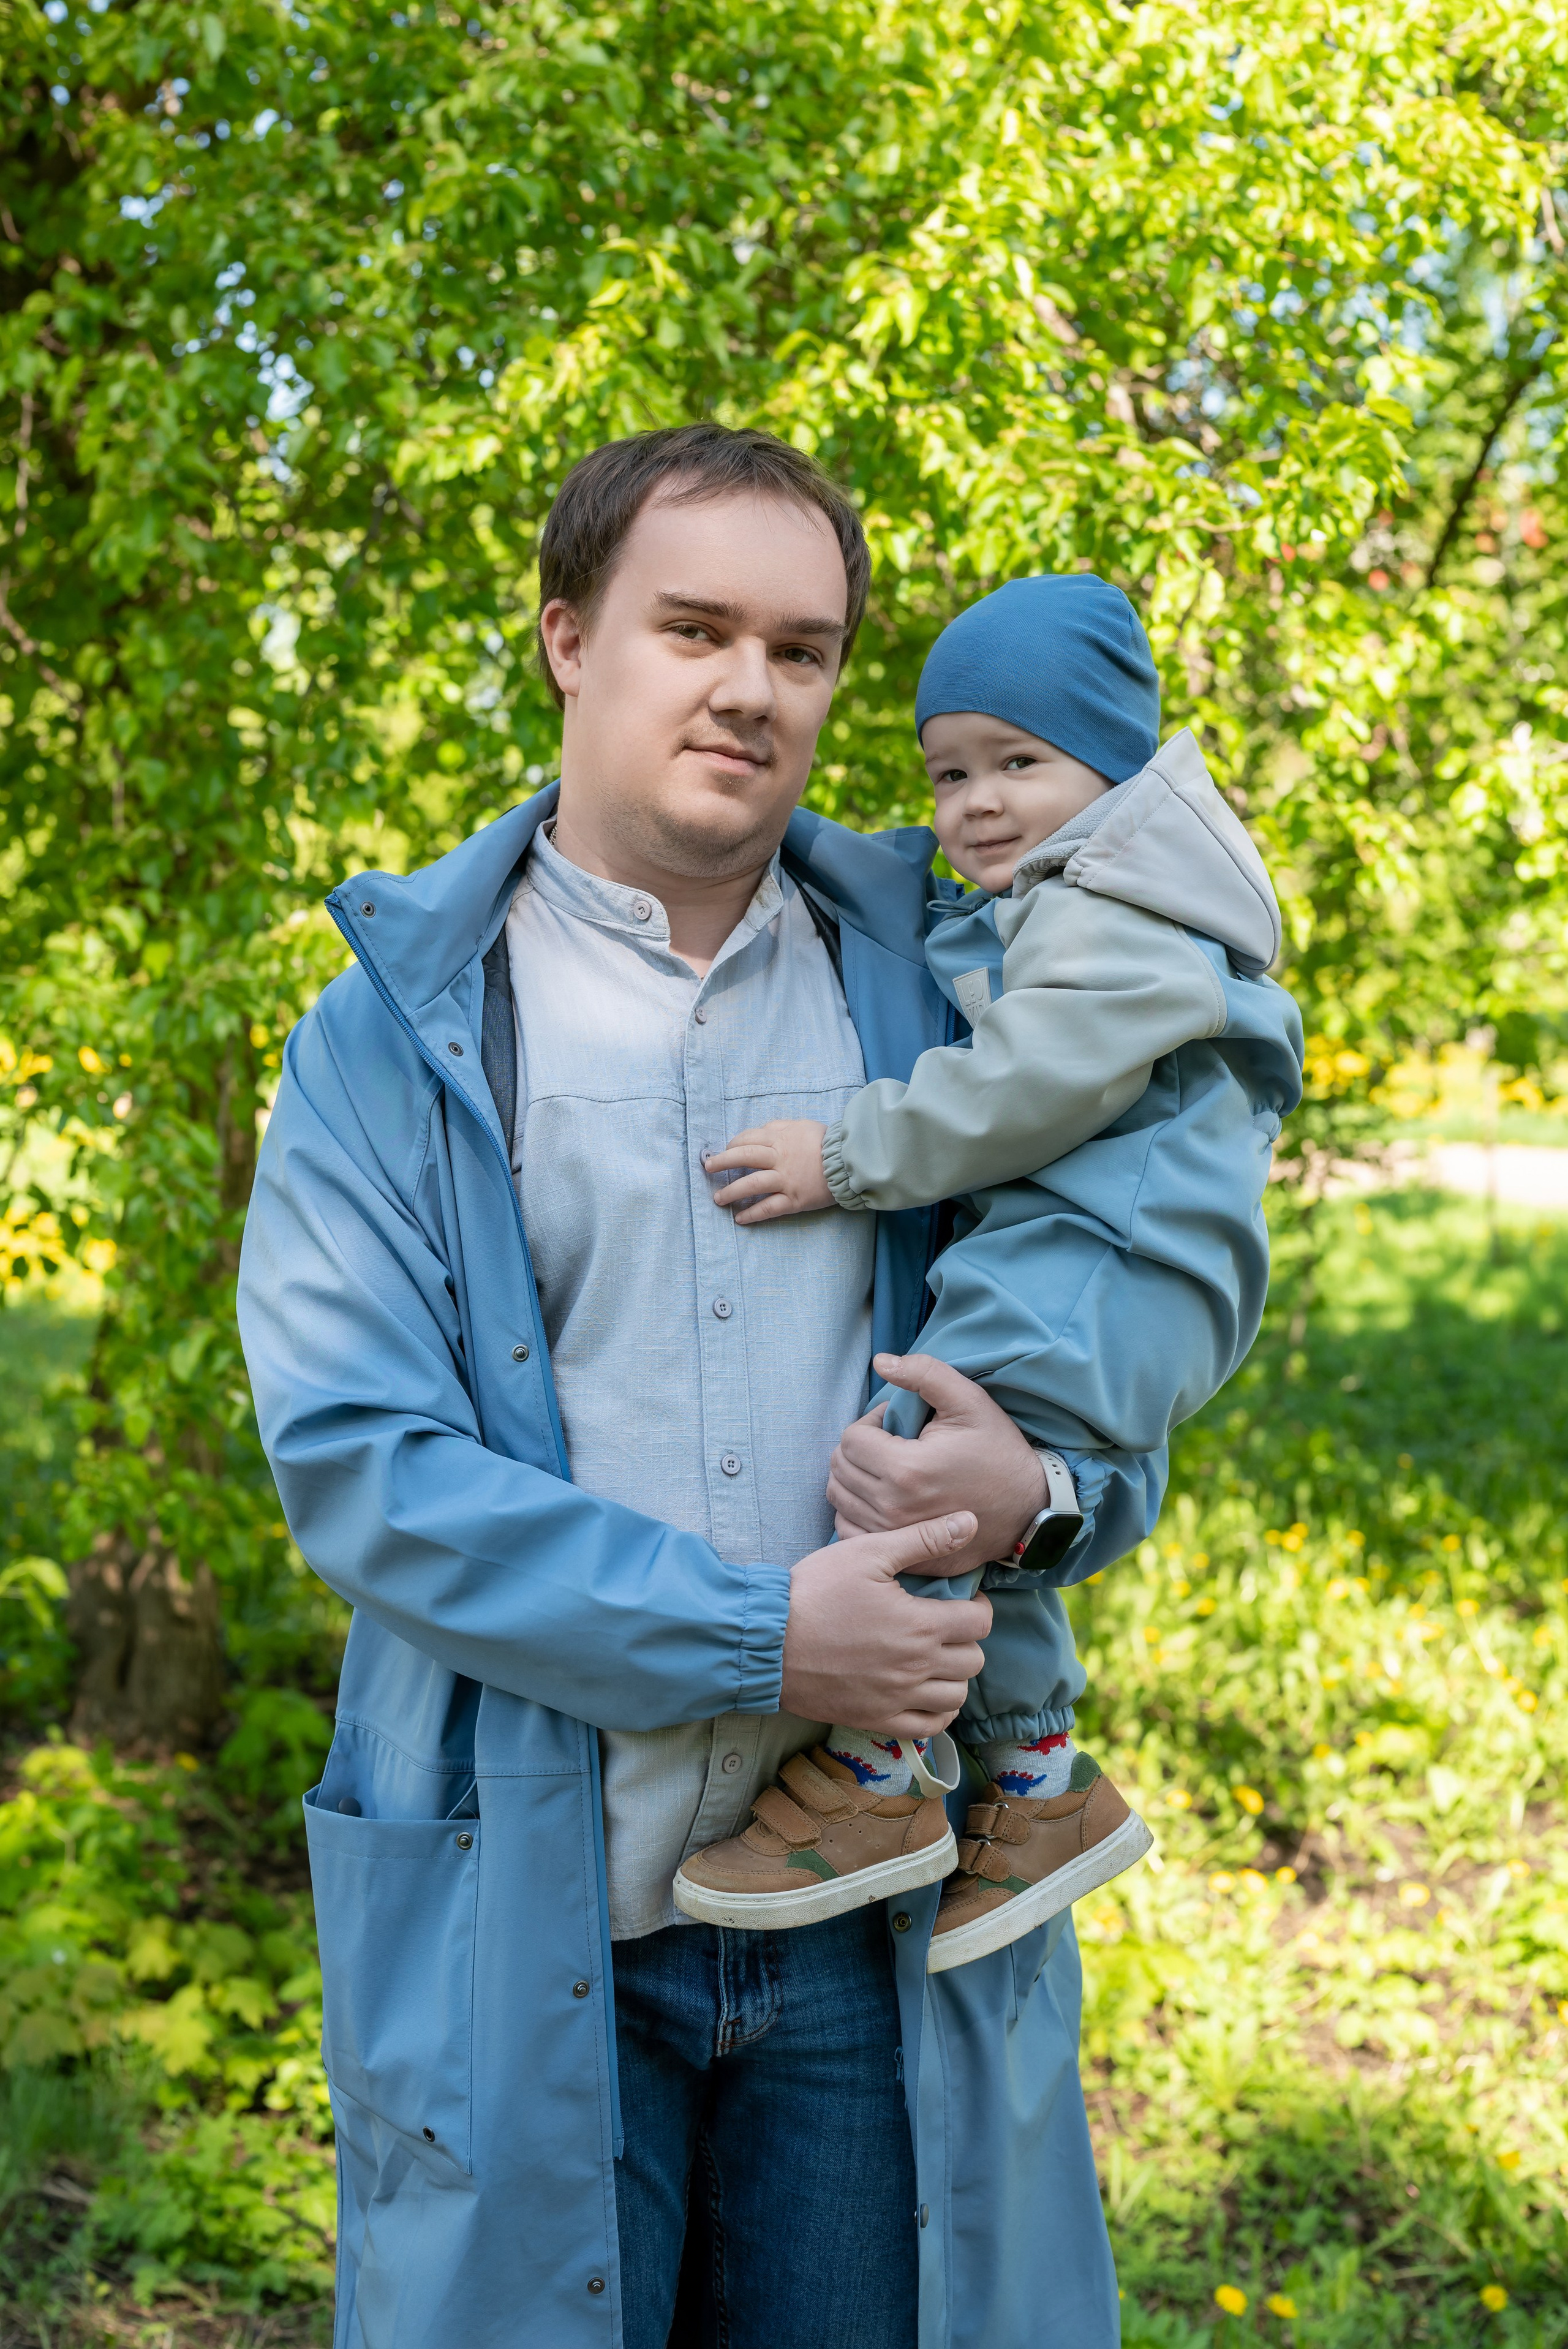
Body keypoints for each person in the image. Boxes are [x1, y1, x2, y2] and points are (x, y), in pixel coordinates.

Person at [238, 424, 1186, 2349]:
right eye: (694, 627)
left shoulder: (952, 985)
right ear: (568, 636)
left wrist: (1056, 1499)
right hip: (536, 1905)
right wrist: (770, 1636)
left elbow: (1128, 1320)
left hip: (868, 1917)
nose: (752, 688)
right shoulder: (398, 1032)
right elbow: (365, 1468)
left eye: (805, 648)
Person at [676, 575, 1305, 1973]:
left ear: (1115, 771)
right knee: (975, 1516)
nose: (976, 804)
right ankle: (1035, 1788)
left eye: (1018, 762)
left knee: (919, 1470)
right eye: (948, 771)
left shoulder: (1122, 920)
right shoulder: (1080, 895)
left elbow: (1020, 1086)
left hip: (1106, 1262)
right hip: (1098, 1260)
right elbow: (956, 927)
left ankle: (885, 1771)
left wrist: (843, 1154)